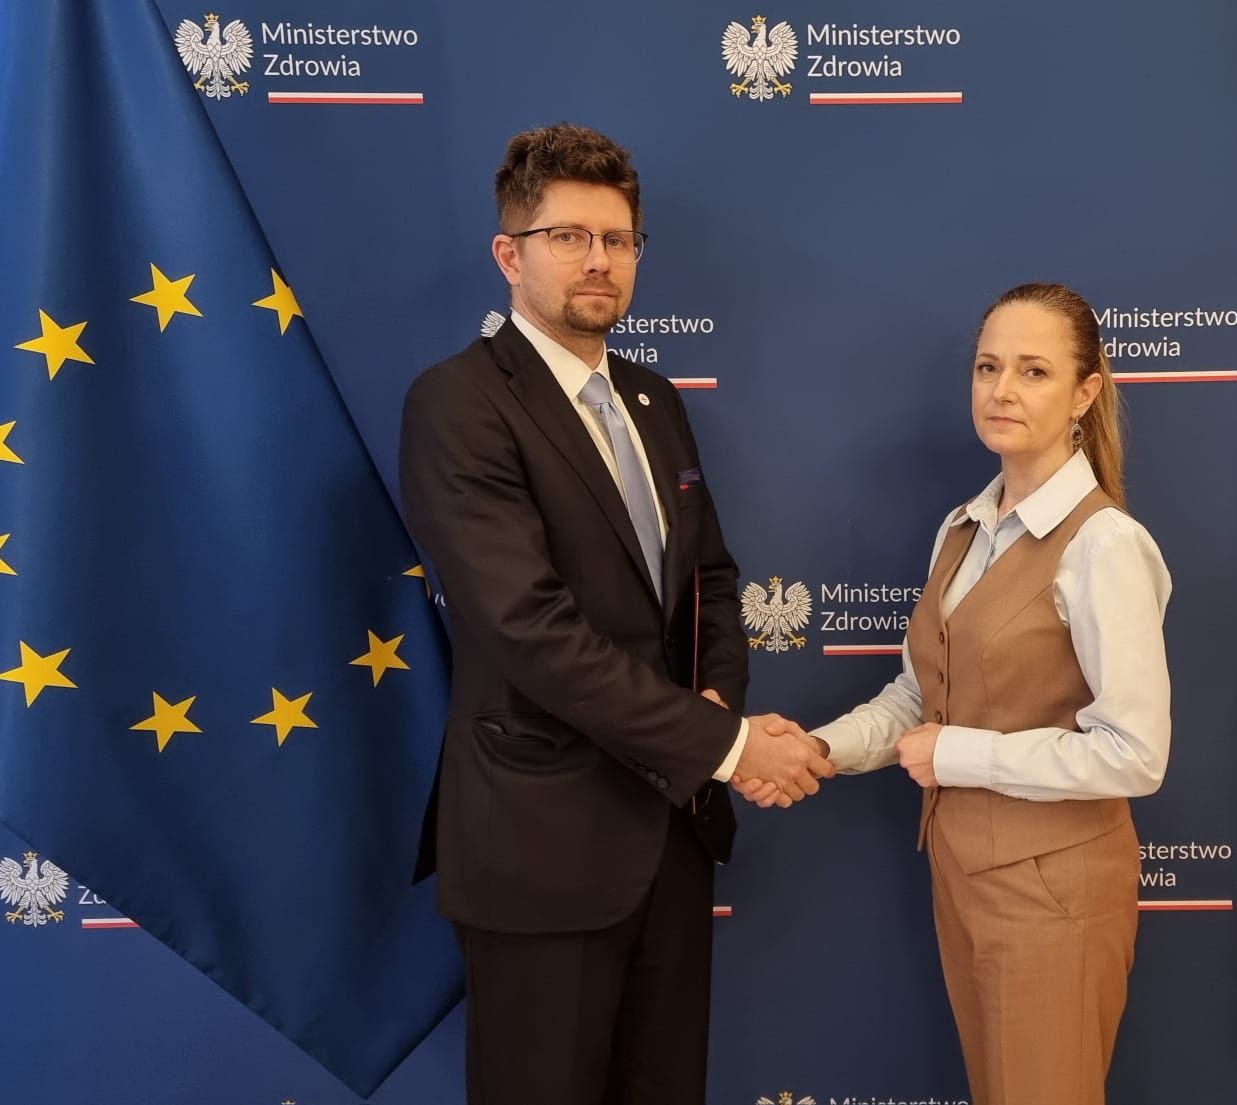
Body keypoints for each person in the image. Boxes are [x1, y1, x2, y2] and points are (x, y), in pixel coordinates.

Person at [398, 122, 831, 1105]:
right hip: (539, 853)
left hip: (672, 838)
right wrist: (725, 745)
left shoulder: (652, 400)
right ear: (509, 254)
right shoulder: (457, 403)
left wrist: (717, 704)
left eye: (618, 238)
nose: (598, 259)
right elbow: (530, 630)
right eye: (568, 236)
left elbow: (708, 580)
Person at [740, 282, 1172, 1105]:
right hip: (964, 878)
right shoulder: (961, 527)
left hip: (1056, 895)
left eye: (1033, 371)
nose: (1001, 390)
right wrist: (821, 748)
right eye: (987, 367)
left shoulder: (1105, 544)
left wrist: (958, 755)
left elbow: (1134, 753)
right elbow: (918, 695)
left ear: (1084, 393)